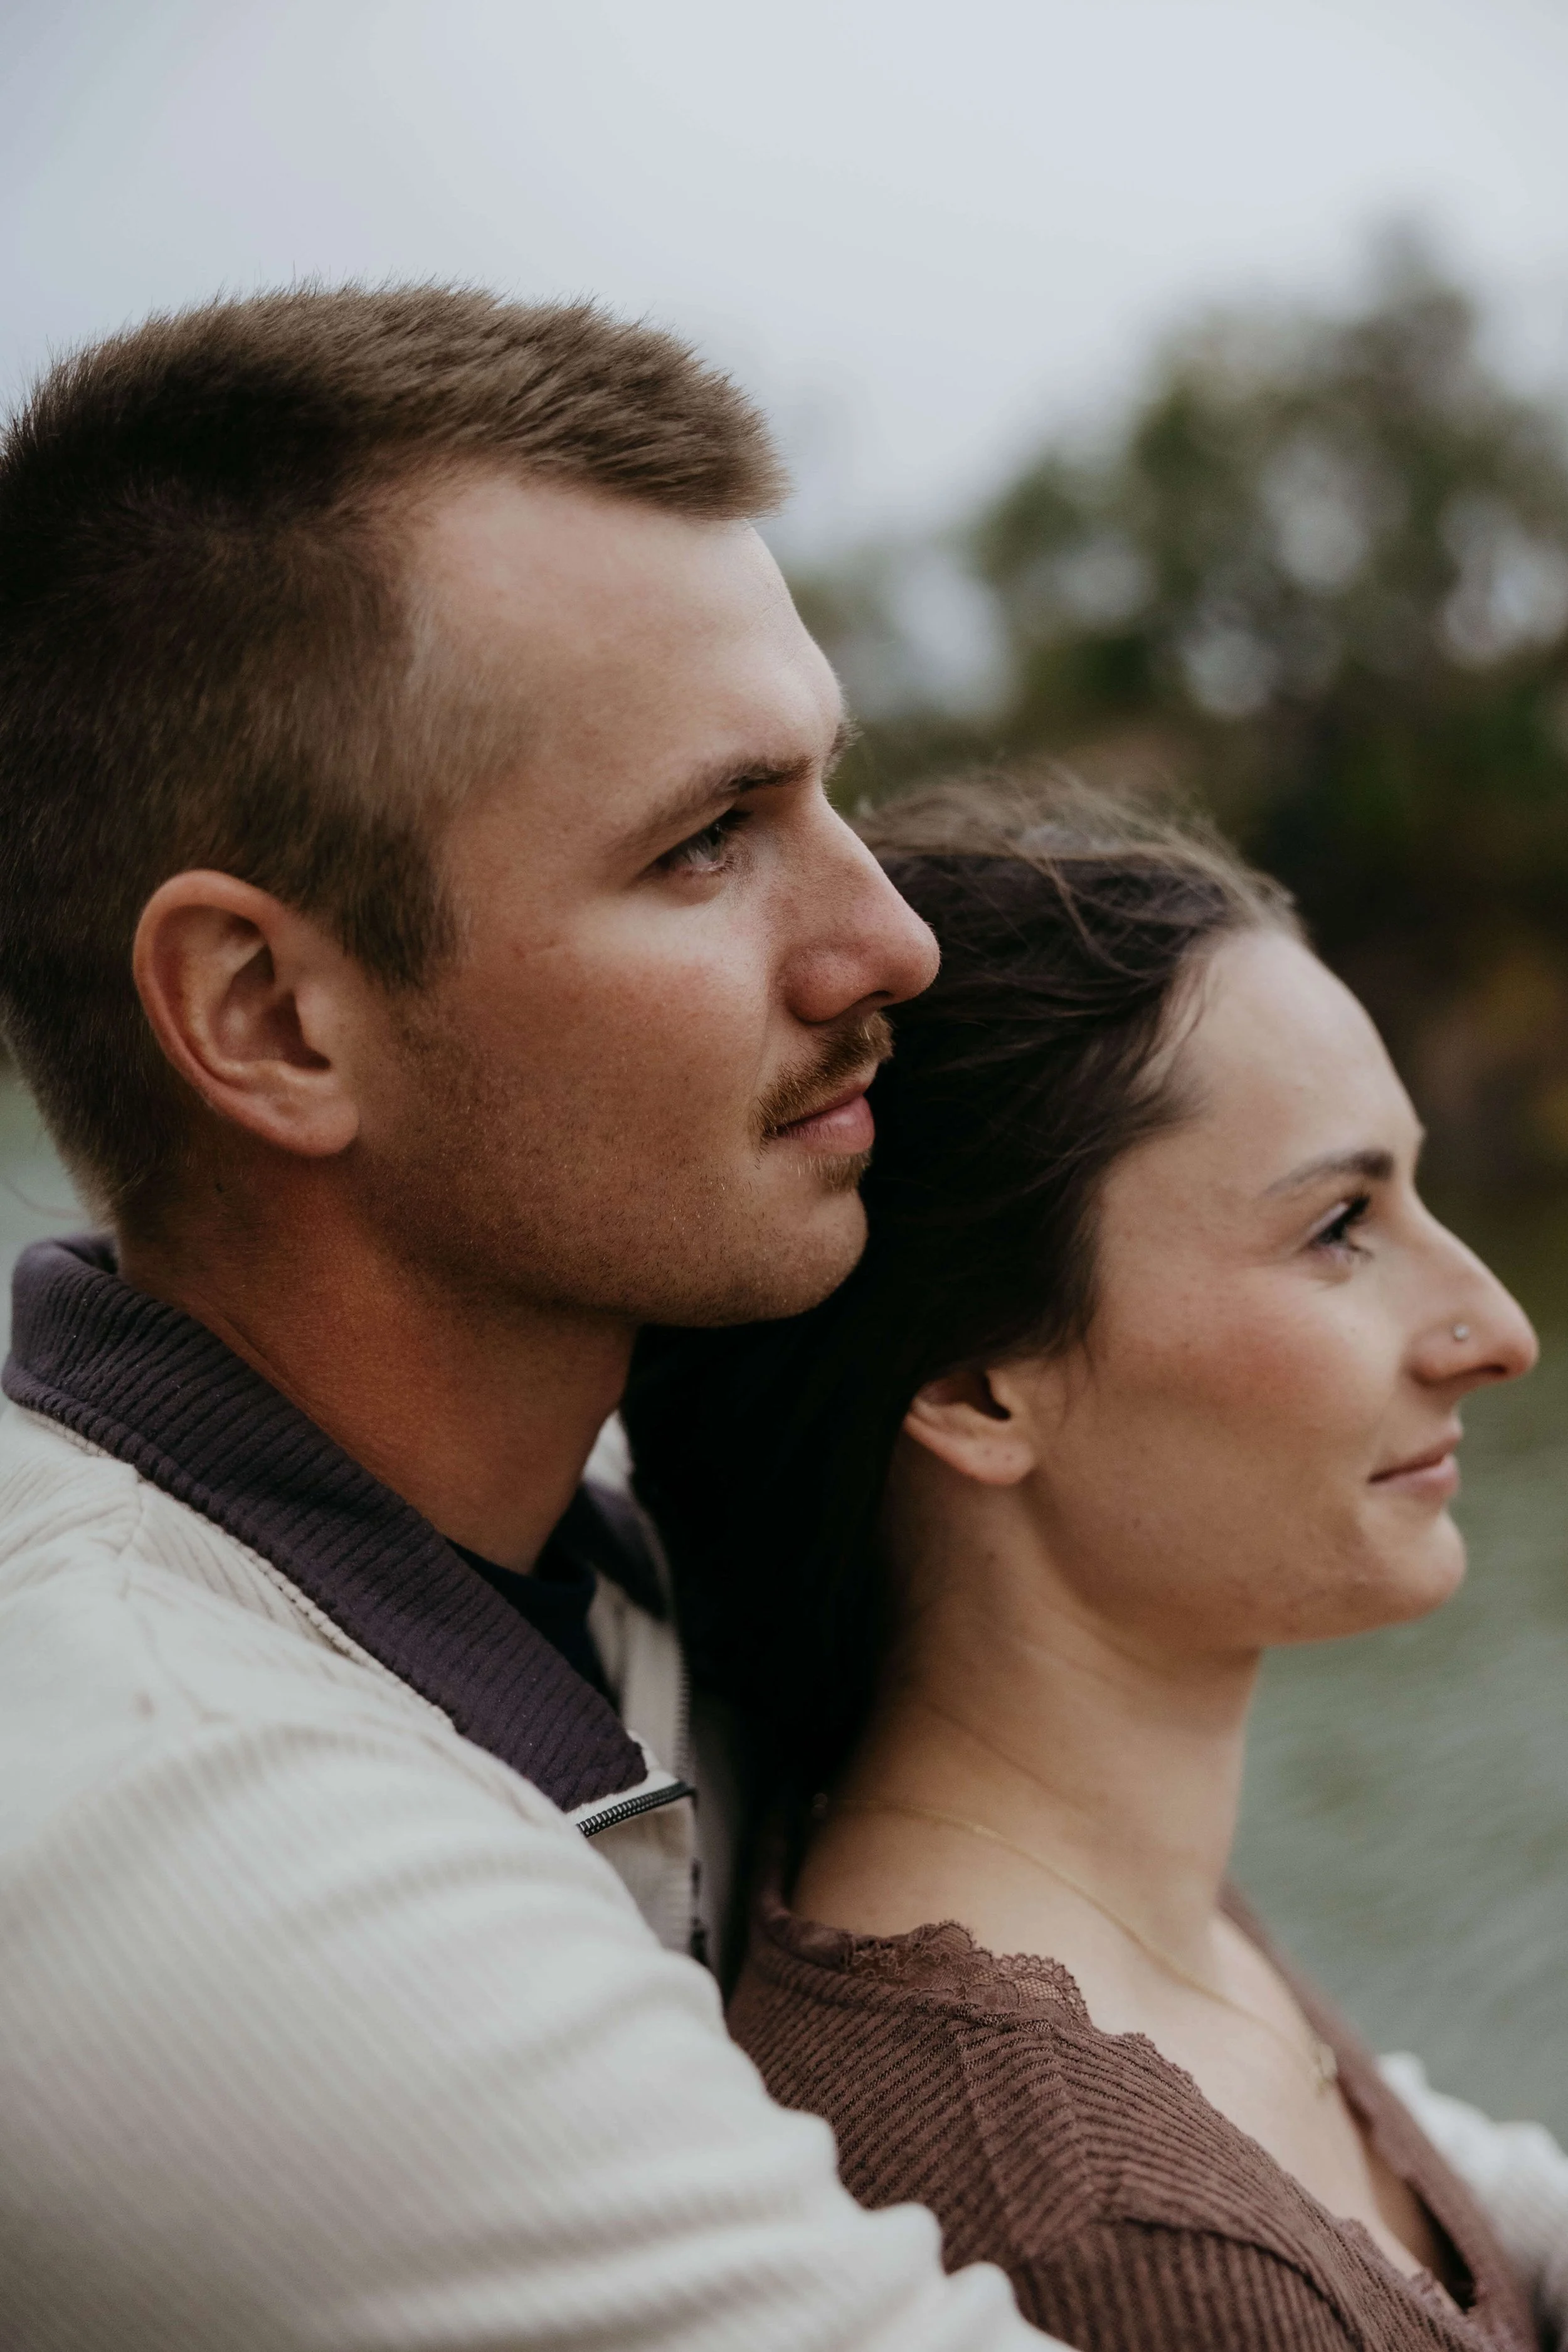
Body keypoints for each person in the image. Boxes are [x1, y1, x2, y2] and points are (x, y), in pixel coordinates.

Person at [0, 287, 1061, 2351]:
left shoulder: (594, 1517)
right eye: (705, 845)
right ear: (272, 1018)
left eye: (834, 793)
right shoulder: (181, 1836)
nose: (890, 937)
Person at [624, 776, 1554, 2351]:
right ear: (982, 1388)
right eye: (1337, 1226)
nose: (1493, 1333)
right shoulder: (1104, 2235)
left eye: (1413, 1195)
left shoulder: (1131, 1925)